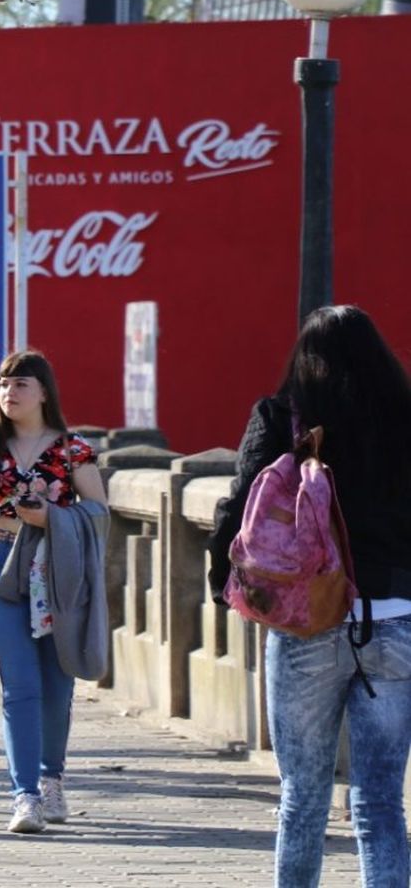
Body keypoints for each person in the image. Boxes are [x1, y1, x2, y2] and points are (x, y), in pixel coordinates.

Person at [207, 305, 411, 887]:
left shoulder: (281, 418)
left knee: (303, 795)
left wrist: (228, 585)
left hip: (306, 623)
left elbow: (240, 505)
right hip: (394, 621)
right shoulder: (403, 419)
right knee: (380, 804)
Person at [0, 350, 106, 834]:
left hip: (56, 568)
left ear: (44, 392)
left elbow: (99, 512)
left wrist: (51, 517)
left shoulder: (74, 450)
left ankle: (52, 779)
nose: (10, 393)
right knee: (20, 684)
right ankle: (24, 795)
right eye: (4, 385)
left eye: (21, 384)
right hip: (2, 562)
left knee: (56, 679)